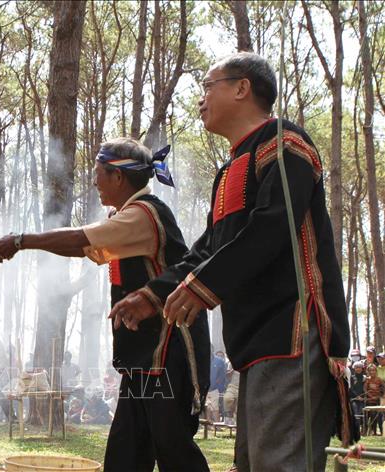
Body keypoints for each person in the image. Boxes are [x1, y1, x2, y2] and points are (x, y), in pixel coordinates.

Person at [109, 52, 355, 471]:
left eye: (208, 86)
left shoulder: (284, 143)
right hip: (256, 340)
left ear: (242, 88)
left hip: (292, 331)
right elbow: (209, 246)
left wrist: (203, 288)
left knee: (277, 464)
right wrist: (154, 293)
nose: (201, 99)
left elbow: (272, 226)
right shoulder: (230, 171)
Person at [0, 136, 210, 471]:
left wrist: (20, 241)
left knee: (174, 451)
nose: (94, 181)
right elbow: (88, 246)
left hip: (168, 359)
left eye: (99, 173)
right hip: (144, 365)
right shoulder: (127, 215)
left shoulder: (143, 215)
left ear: (118, 177)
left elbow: (80, 240)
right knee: (125, 452)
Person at [364, 364, 384, 435]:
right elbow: (365, 390)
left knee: (378, 416)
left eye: (373, 370)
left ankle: (379, 431)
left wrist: (377, 397)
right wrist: (370, 396)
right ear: (368, 371)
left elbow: (383, 390)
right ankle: (370, 431)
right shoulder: (367, 380)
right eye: (370, 370)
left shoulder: (380, 380)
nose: (372, 372)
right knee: (369, 415)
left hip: (378, 401)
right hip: (369, 400)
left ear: (376, 371)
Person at [349, 361, 366, 428]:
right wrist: (357, 396)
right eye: (356, 367)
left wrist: (363, 397)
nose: (358, 369)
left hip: (362, 399)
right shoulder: (352, 378)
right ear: (354, 368)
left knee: (362, 414)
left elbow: (364, 388)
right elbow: (351, 389)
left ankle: (362, 429)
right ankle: (356, 429)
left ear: (362, 368)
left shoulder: (364, 378)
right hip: (354, 399)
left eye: (360, 367)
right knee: (356, 413)